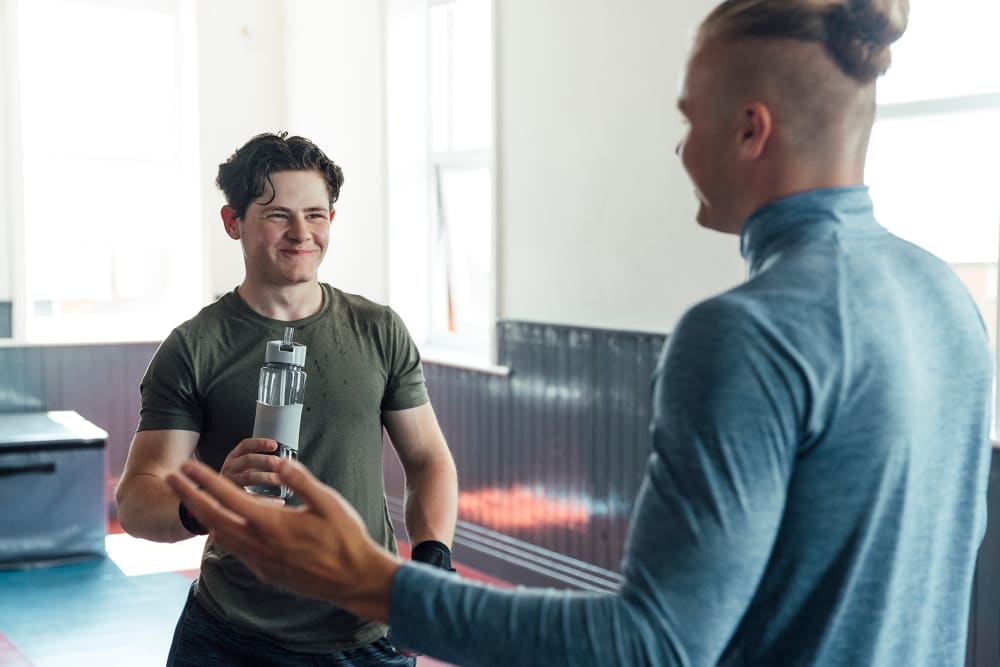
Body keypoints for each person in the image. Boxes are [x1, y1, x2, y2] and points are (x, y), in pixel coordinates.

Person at [166, 1, 996, 665]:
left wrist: (374, 580)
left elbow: (654, 645)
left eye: (689, 117)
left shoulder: (747, 333)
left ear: (751, 130)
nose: (679, 147)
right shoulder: (943, 295)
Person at [115, 132, 459, 666]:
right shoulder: (194, 347)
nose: (302, 233)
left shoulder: (377, 330)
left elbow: (428, 459)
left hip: (363, 636)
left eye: (316, 215)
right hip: (229, 638)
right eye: (278, 215)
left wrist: (433, 565)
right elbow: (138, 499)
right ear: (234, 223)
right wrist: (209, 503)